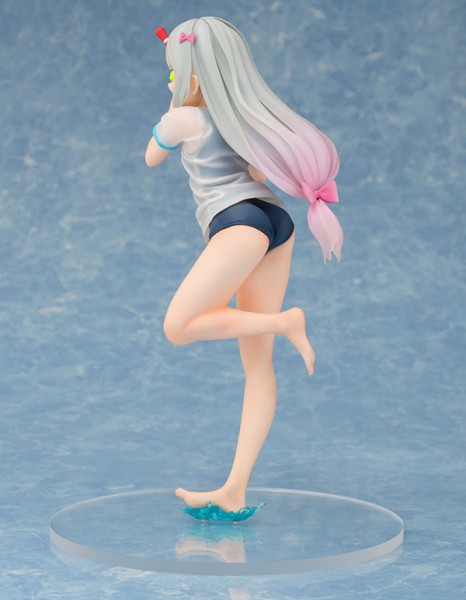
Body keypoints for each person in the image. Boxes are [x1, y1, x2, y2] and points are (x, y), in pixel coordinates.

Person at [145, 17, 343, 521]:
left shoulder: (184, 119)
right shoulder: (242, 124)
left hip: (238, 224)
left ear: (193, 77)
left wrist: (172, 113)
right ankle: (234, 488)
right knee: (258, 367)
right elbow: (259, 172)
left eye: (175, 73)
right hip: (275, 223)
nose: (171, 81)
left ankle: (284, 322)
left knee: (178, 327)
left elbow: (151, 157)